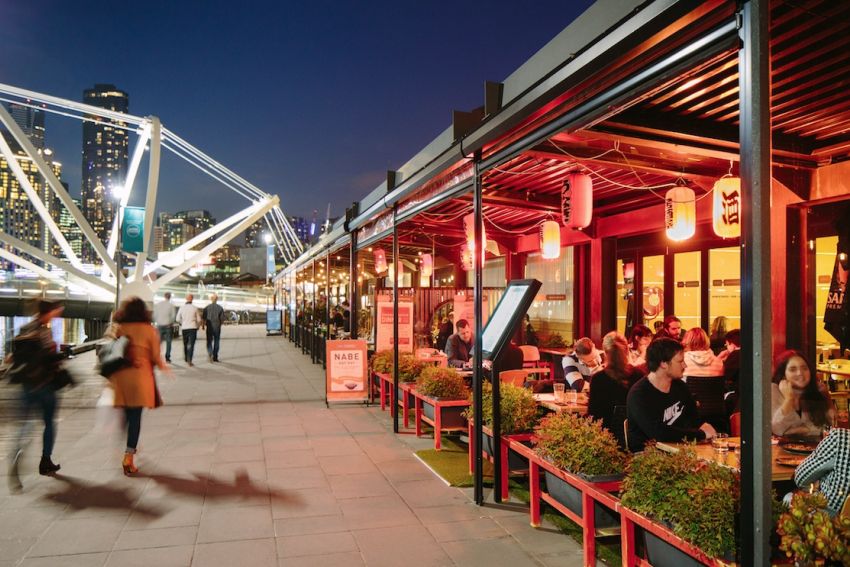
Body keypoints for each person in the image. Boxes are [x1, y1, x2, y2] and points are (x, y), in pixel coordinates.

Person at [7, 300, 66, 491]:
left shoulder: (24, 330)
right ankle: (45, 460)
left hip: (26, 386)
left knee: (25, 425)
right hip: (45, 386)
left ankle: (17, 453)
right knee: (49, 422)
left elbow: (11, 357)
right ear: (47, 313)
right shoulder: (44, 332)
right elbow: (49, 358)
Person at [110, 297, 170, 475]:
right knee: (135, 417)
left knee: (126, 413)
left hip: (121, 377)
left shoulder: (119, 328)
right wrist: (163, 367)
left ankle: (126, 438)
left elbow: (113, 350)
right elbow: (155, 356)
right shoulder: (149, 330)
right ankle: (129, 455)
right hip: (139, 377)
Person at [626, 337, 717, 452]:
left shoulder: (680, 387)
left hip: (678, 452)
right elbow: (658, 433)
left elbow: (694, 420)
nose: (685, 366)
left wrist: (705, 428)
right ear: (663, 363)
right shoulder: (639, 394)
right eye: (680, 361)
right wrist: (701, 434)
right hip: (648, 458)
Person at [588, 331, 644, 448]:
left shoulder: (599, 379)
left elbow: (593, 417)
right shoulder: (639, 375)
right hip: (636, 437)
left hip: (606, 440)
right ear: (627, 350)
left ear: (605, 352)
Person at [771, 350, 834, 438]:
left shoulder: (819, 390)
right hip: (780, 450)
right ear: (784, 374)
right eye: (793, 369)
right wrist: (789, 399)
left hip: (815, 448)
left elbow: (829, 426)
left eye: (804, 368)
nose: (800, 373)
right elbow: (776, 429)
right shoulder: (773, 390)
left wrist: (803, 430)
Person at [793, 427, 850, 516]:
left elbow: (800, 477)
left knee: (788, 498)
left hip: (830, 519)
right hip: (843, 519)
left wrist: (815, 486)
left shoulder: (841, 438)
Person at [176, 294, 201, 367]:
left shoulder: (181, 308)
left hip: (184, 328)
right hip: (193, 328)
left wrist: (182, 323)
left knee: (185, 344)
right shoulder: (195, 308)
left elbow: (177, 319)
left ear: (186, 299)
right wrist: (198, 326)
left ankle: (186, 358)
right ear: (192, 299)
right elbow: (199, 320)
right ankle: (190, 360)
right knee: (191, 344)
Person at [201, 293, 226, 363]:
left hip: (209, 326)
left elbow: (203, 318)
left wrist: (203, 326)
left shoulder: (206, 308)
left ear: (211, 299)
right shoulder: (220, 308)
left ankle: (210, 353)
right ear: (217, 299)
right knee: (217, 341)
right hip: (217, 326)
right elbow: (222, 319)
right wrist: (220, 324)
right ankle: (215, 357)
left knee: (209, 341)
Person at [153, 292, 176, 363]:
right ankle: (167, 357)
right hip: (168, 326)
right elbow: (173, 316)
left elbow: (154, 315)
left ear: (164, 296)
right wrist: (171, 322)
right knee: (168, 342)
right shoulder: (171, 305)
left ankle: (157, 357)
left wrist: (156, 322)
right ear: (170, 297)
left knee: (158, 342)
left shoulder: (158, 305)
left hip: (159, 325)